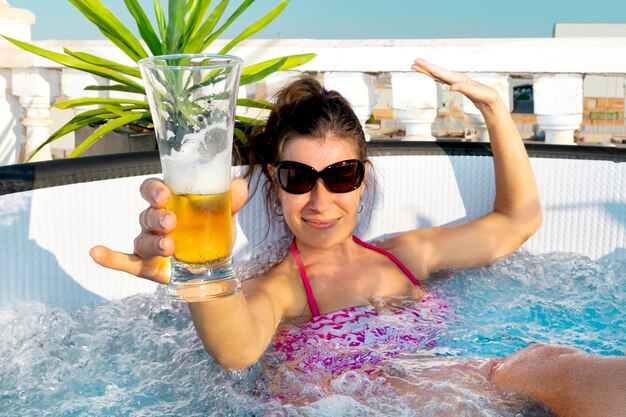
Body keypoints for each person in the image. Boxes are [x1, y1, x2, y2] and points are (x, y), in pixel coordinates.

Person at [89, 59, 625, 417]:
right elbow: (237, 349)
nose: (321, 202)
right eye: (298, 179)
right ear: (274, 186)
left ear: (362, 176)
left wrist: (493, 109)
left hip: (453, 392)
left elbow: (517, 220)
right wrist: (206, 270)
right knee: (540, 365)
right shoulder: (281, 289)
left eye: (341, 175)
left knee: (542, 365)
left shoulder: (406, 255)